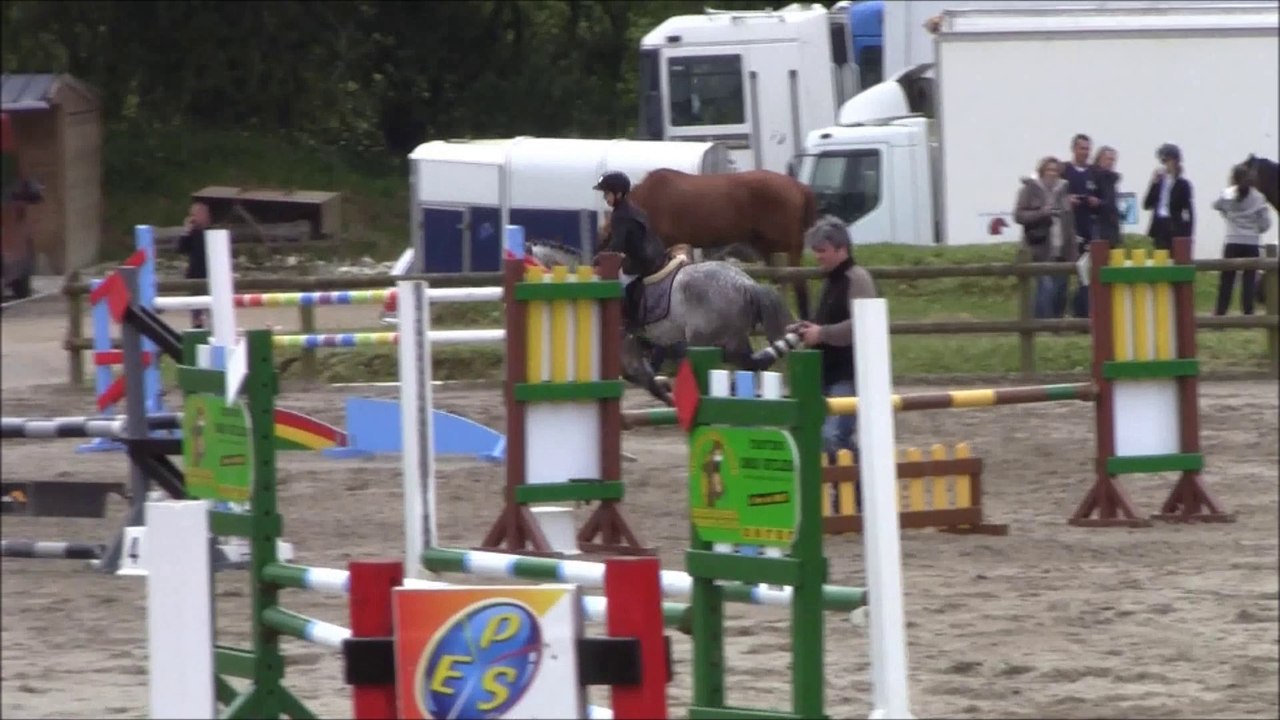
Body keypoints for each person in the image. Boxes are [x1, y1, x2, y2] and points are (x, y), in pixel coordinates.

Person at [785, 217, 878, 460]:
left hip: (849, 374)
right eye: (815, 251)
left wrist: (822, 333)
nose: (817, 257)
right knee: (827, 438)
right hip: (828, 374)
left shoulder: (857, 280)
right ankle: (852, 490)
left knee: (833, 436)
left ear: (841, 249)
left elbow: (862, 326)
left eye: (822, 251)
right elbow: (827, 324)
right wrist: (807, 328)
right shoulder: (831, 281)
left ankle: (857, 487)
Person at [594, 171, 667, 332]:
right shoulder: (629, 208)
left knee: (619, 283)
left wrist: (599, 258)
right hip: (654, 253)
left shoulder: (621, 214)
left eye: (607, 193)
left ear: (618, 194)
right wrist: (600, 251)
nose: (605, 198)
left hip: (642, 261)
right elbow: (611, 239)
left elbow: (617, 245)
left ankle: (631, 322)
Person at [1015, 156, 1077, 319]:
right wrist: (1041, 213)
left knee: (1060, 291)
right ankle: (1041, 326)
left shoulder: (1064, 190)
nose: (1052, 173)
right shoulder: (1029, 190)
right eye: (1049, 169)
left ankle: (1056, 325)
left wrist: (1073, 252)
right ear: (1042, 171)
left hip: (1061, 249)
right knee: (1046, 288)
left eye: (1055, 170)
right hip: (1039, 249)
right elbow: (1019, 216)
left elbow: (1069, 223)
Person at [1213, 163, 1272, 316]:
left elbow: (1218, 206)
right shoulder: (1259, 197)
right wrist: (1256, 229)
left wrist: (1230, 219)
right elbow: (1265, 223)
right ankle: (1248, 312)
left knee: (1227, 279)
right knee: (1249, 280)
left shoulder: (1228, 194)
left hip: (1232, 241)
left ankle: (1221, 312)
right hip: (1251, 242)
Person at [1073, 145, 1123, 317]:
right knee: (1088, 272)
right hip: (1096, 231)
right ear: (1100, 159)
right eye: (1108, 159)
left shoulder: (1110, 179)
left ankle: (1099, 311)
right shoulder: (1094, 177)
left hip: (1109, 230)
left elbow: (1110, 205)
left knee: (1102, 272)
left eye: (1113, 160)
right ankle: (1085, 312)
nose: (1111, 163)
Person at [1143, 143, 1194, 252]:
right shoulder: (1159, 183)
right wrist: (1153, 183)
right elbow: (1147, 204)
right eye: (1164, 161)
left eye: (1168, 160)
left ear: (1175, 161)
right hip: (1158, 226)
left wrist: (1187, 236)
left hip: (1174, 226)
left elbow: (1188, 212)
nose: (1166, 164)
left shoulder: (1183, 184)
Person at [1062, 133, 1101, 255]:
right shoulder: (1063, 169)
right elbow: (1053, 197)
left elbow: (1105, 198)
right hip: (1068, 226)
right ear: (1073, 149)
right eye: (1082, 148)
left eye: (1088, 149)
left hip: (1089, 227)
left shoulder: (1095, 172)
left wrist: (1096, 201)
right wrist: (1067, 200)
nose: (1085, 152)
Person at [178, 201, 211, 328]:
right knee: (196, 309)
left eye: (197, 214)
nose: (195, 218)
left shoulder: (212, 232)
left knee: (211, 308)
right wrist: (186, 230)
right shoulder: (191, 234)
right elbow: (181, 249)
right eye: (193, 215)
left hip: (209, 274)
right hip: (195, 273)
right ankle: (197, 328)